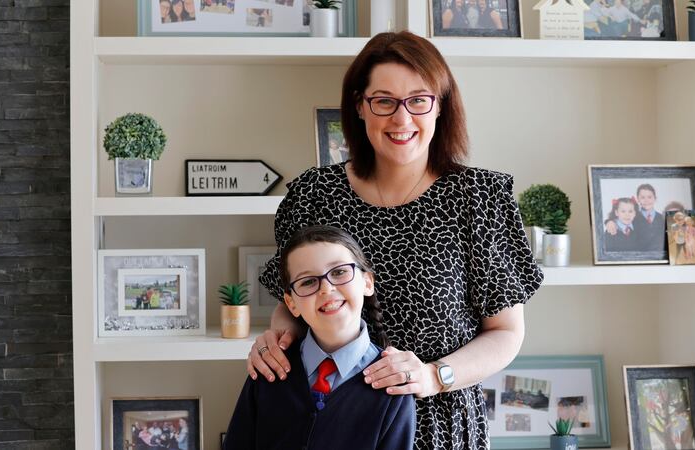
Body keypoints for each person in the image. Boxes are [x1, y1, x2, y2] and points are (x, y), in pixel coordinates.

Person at [246, 31, 542, 449]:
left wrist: (433, 376)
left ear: (440, 105)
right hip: (333, 423)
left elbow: (506, 333)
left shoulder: (479, 198)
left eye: (418, 100)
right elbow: (291, 308)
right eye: (384, 101)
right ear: (359, 107)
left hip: (440, 426)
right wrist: (276, 343)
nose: (401, 119)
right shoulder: (314, 194)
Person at [225, 225, 416, 449]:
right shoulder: (269, 371)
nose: (326, 288)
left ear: (367, 282)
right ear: (291, 303)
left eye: (339, 272)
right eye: (308, 281)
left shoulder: (393, 389)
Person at [605, 183, 665, 252]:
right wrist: (609, 222)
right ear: (638, 199)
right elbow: (620, 218)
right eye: (642, 197)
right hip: (639, 255)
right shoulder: (633, 217)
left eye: (649, 197)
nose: (646, 200)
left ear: (655, 198)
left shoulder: (662, 218)